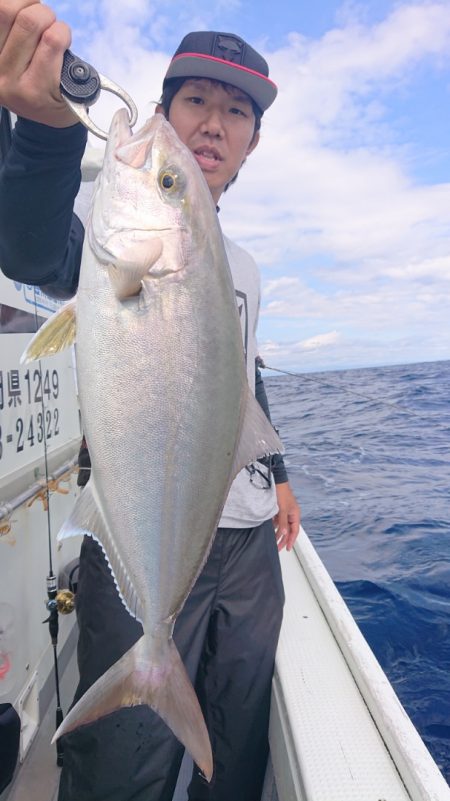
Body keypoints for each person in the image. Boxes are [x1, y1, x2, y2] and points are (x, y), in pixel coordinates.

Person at [0, 6, 301, 800]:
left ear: (254, 142)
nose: (213, 124)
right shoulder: (117, 243)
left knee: (232, 753)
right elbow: (32, 245)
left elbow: (241, 376)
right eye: (195, 100)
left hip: (243, 546)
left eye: (237, 110)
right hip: (141, 529)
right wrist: (44, 131)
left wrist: (280, 470)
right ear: (163, 111)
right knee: (121, 771)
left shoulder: (243, 265)